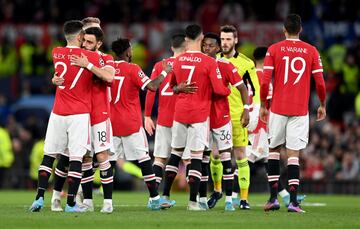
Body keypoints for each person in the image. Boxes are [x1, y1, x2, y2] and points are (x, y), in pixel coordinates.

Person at [29, 20, 103, 213]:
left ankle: (38, 199)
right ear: (80, 37)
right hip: (78, 114)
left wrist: (54, 78)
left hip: (58, 112)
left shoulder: (56, 52)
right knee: (76, 158)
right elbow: (107, 76)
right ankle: (70, 203)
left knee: (49, 156)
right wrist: (89, 63)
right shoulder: (89, 56)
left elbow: (61, 73)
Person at [261, 14, 326, 213]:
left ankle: (273, 199)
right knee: (293, 156)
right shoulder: (311, 51)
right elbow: (321, 83)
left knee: (273, 151)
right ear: (301, 29)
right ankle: (293, 202)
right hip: (299, 109)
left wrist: (264, 104)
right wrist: (322, 103)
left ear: (284, 30)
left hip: (278, 108)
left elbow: (265, 81)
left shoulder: (273, 49)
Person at [50, 26, 115, 213]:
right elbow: (62, 75)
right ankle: (87, 201)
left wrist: (88, 65)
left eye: (89, 42)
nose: (85, 45)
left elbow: (109, 77)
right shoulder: (74, 56)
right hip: (79, 114)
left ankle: (108, 203)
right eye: (84, 40)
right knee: (83, 158)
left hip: (99, 114)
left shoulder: (105, 58)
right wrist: (54, 79)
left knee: (102, 156)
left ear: (99, 44)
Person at [168, 24, 230, 211]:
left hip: (180, 112)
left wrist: (179, 88)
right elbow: (219, 89)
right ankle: (193, 201)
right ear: (201, 38)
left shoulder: (177, 60)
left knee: (175, 154)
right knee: (196, 156)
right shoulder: (209, 62)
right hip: (199, 113)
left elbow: (172, 87)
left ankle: (163, 196)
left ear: (186, 39)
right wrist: (228, 90)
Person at [109, 38, 171, 210]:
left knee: (109, 162)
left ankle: (99, 201)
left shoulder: (107, 68)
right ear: (128, 52)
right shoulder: (132, 69)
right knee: (144, 159)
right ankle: (154, 199)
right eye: (131, 49)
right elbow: (152, 86)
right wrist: (165, 73)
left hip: (111, 123)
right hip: (130, 123)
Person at [209, 25, 260, 209]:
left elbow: (255, 90)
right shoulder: (213, 61)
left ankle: (244, 199)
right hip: (217, 116)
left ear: (235, 41)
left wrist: (250, 111)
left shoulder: (246, 64)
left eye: (228, 39)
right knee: (215, 155)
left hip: (238, 116)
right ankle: (217, 191)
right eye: (222, 39)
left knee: (240, 155)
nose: (225, 43)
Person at [248, 46, 305, 207]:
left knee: (268, 160)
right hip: (261, 123)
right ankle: (236, 196)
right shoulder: (262, 76)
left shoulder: (253, 75)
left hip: (258, 121)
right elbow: (264, 101)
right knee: (249, 160)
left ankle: (285, 196)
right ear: (265, 59)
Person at [144, 33, 196, 204]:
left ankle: (154, 198)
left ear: (172, 47)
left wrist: (147, 116)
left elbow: (152, 90)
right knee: (188, 158)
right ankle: (193, 200)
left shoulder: (160, 65)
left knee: (159, 158)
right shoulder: (189, 64)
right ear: (187, 47)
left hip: (164, 118)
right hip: (183, 118)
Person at [200, 32, 249, 211]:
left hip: (221, 119)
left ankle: (229, 200)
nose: (207, 48)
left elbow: (243, 88)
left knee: (227, 159)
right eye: (204, 45)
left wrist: (246, 109)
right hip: (202, 119)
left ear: (218, 48)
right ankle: (203, 198)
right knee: (204, 160)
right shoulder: (198, 64)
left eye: (211, 45)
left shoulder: (226, 66)